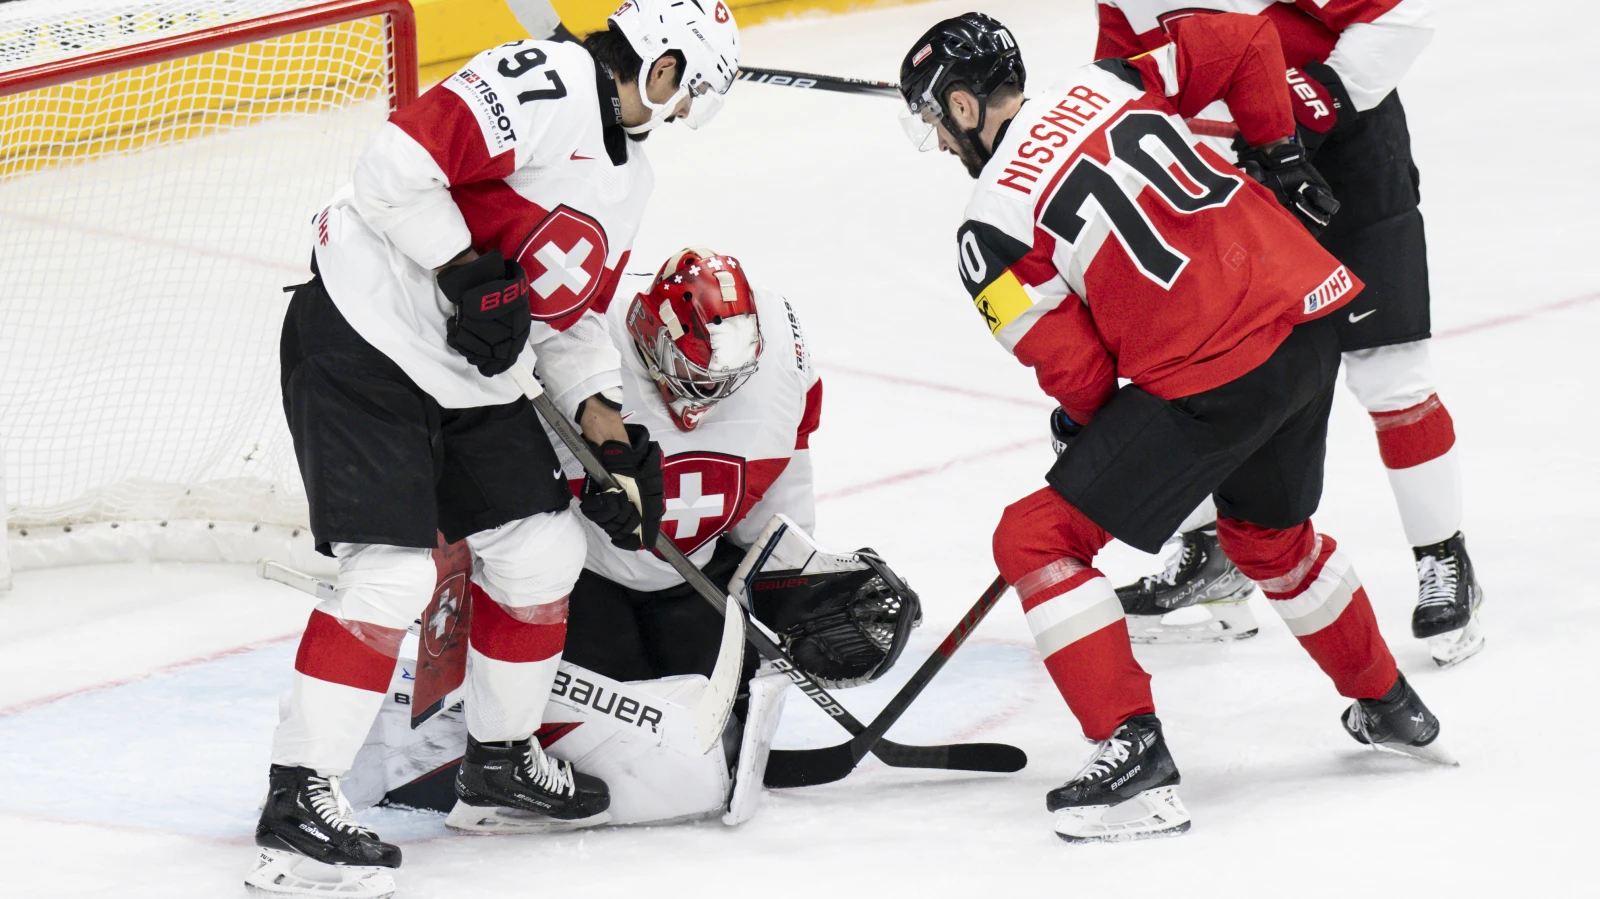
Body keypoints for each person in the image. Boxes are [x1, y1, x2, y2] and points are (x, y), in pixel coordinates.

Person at [898, 10, 1450, 843]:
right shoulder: (1112, 79)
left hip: (1212, 376)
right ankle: (1389, 702)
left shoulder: (986, 233)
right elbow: (1245, 44)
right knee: (1271, 539)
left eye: (938, 123)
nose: (940, 143)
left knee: (1034, 538)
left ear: (967, 109)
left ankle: (1134, 761)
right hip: (1305, 321)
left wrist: (1090, 427)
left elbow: (1077, 372)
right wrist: (1279, 150)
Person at [248, 4, 740, 897]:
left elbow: (571, 320)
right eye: (689, 91)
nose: (683, 110)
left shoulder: (632, 180)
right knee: (391, 573)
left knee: (540, 545)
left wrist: (611, 435)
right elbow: (394, 164)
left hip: (463, 374)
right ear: (663, 70)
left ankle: (499, 764)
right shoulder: (540, 81)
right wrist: (464, 267)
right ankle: (296, 806)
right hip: (364, 334)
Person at [334, 249, 920, 829]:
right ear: (648, 333)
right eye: (689, 378)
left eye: (721, 385)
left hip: (695, 568)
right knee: (614, 728)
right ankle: (483, 727)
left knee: (701, 732)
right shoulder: (578, 337)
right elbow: (490, 467)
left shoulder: (784, 364)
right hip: (588, 574)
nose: (701, 401)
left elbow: (783, 475)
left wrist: (796, 570)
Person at [1091, 1, 1482, 666]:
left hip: (1352, 162)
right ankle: (1213, 557)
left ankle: (1443, 558)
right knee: (1217, 372)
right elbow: (1128, 73)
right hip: (1245, 187)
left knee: (1389, 373)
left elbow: (1400, 15)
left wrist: (1304, 97)